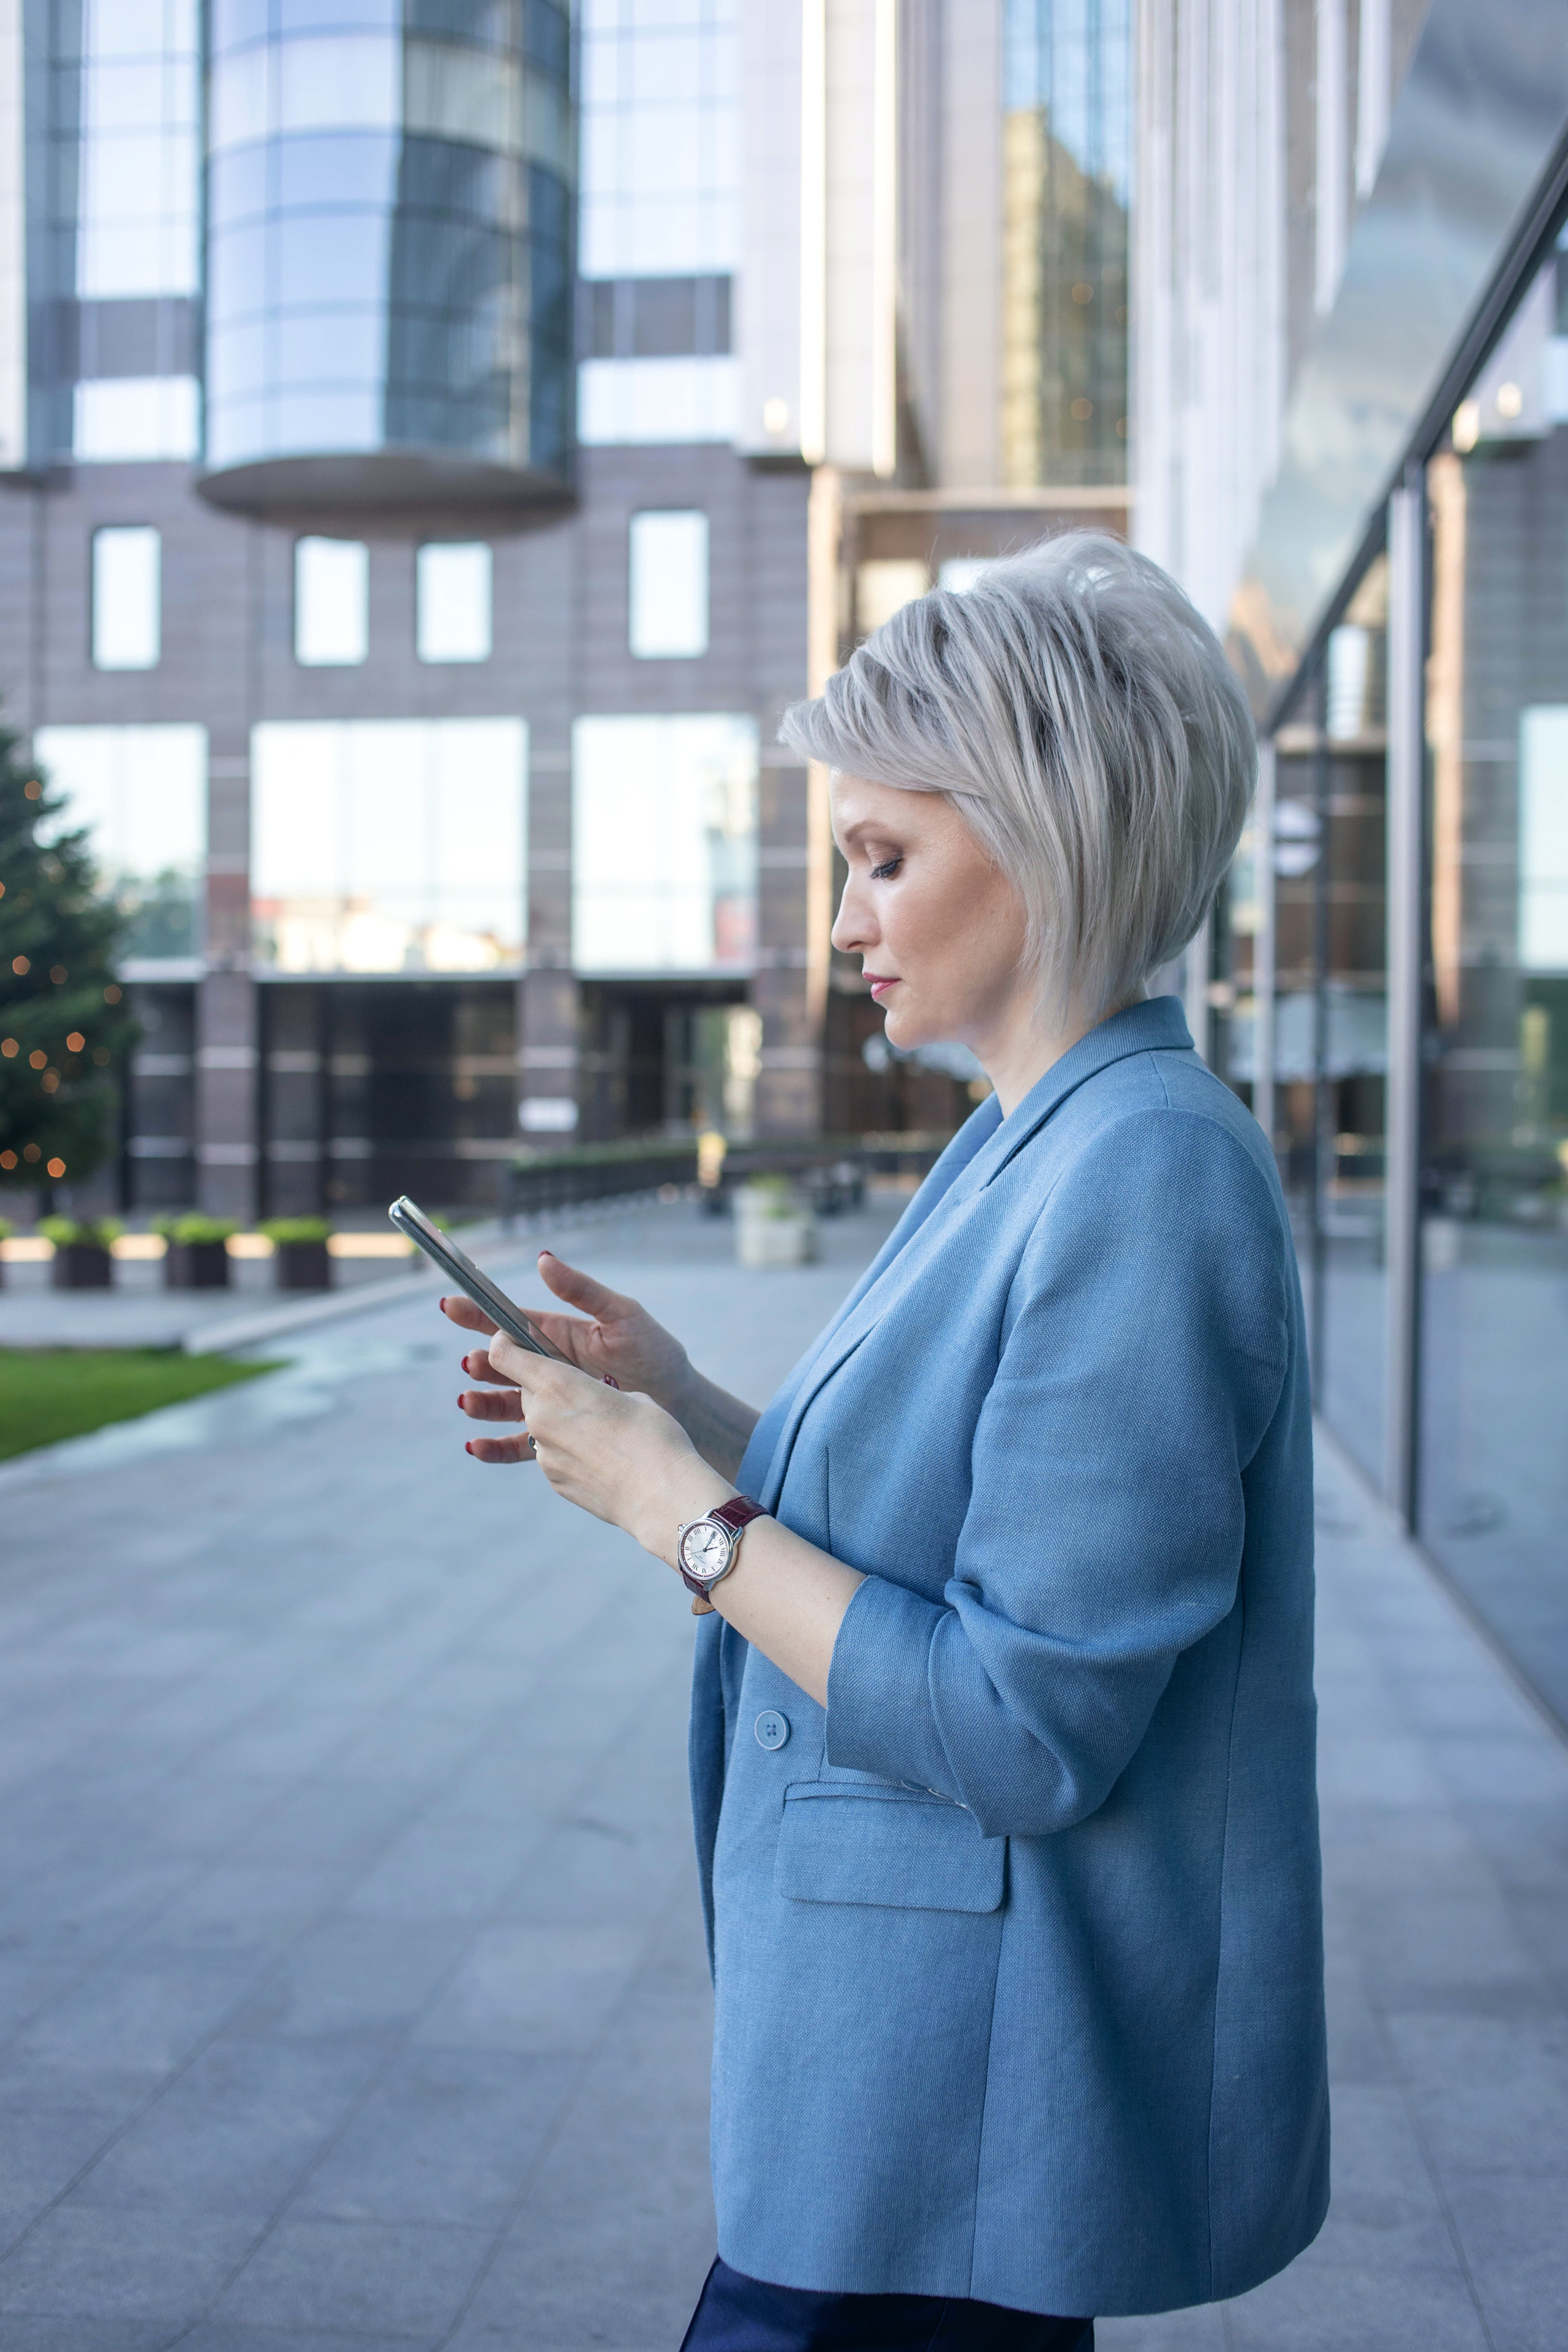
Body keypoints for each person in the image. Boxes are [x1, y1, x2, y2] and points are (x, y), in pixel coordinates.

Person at [443, 535, 1329, 2351]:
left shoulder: (1142, 1169)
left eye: (883, 858)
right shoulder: (1023, 1139)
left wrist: (680, 1513)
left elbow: (1026, 1718)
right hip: (901, 2085)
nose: (843, 921)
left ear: (1052, 836)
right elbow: (956, 1527)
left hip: (955, 2113)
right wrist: (673, 1395)